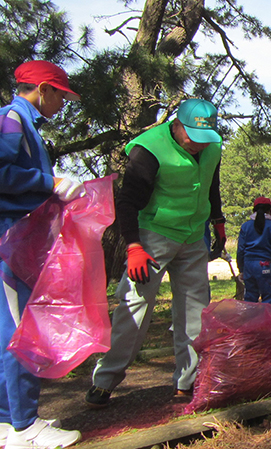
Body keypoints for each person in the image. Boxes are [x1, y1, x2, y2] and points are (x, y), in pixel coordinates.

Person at [85, 98, 226, 408]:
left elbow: (211, 183)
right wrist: (134, 247)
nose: (198, 146)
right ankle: (105, 380)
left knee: (194, 311)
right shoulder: (148, 150)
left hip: (192, 237)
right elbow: (126, 203)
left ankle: (186, 382)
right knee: (134, 305)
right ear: (176, 125)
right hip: (153, 236)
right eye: (192, 138)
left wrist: (218, 220)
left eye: (205, 140)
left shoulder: (210, 146)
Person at [0, 60, 83, 448]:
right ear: (44, 89)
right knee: (20, 333)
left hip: (17, 240)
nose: (63, 104)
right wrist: (49, 181)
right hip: (11, 242)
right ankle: (26, 427)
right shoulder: (14, 119)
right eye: (62, 96)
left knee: (9, 329)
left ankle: (8, 420)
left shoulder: (24, 123)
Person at [236, 196, 271, 305]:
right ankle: (267, 320)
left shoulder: (245, 226)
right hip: (264, 264)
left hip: (248, 265)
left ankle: (251, 319)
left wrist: (241, 269)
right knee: (268, 294)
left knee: (250, 296)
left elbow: (240, 250)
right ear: (269, 210)